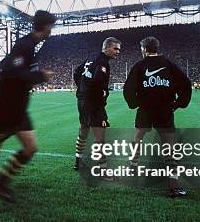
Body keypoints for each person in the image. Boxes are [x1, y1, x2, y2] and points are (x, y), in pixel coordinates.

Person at [0, 10, 56, 216]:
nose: (53, 30)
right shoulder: (24, 45)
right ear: (45, 26)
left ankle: (0, 182)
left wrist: (35, 76)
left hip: (18, 107)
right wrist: (39, 75)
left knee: (31, 147)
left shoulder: (33, 46)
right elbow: (9, 71)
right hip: (4, 108)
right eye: (52, 26)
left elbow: (14, 69)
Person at [123, 36, 192, 198]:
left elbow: (128, 89)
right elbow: (186, 84)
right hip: (164, 111)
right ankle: (173, 187)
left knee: (138, 137)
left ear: (144, 49)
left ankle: (133, 164)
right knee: (169, 147)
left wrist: (135, 103)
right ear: (157, 48)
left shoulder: (139, 66)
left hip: (145, 111)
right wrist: (178, 103)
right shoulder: (168, 64)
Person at [74, 37, 121, 172]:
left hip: (82, 101)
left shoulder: (91, 58)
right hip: (93, 104)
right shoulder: (102, 62)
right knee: (100, 137)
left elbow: (77, 72)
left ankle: (78, 161)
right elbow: (98, 80)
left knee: (83, 130)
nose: (118, 52)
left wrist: (82, 88)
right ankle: (103, 167)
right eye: (115, 48)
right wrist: (101, 94)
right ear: (106, 48)